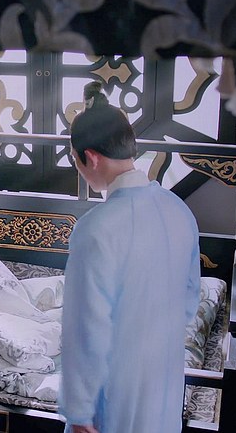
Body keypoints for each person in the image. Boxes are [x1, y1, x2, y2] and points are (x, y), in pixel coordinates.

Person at [59, 82, 201, 433]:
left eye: (75, 160)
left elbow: (85, 329)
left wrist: (79, 411)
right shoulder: (178, 209)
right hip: (164, 374)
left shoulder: (96, 229)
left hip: (116, 385)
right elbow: (189, 301)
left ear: (91, 157)